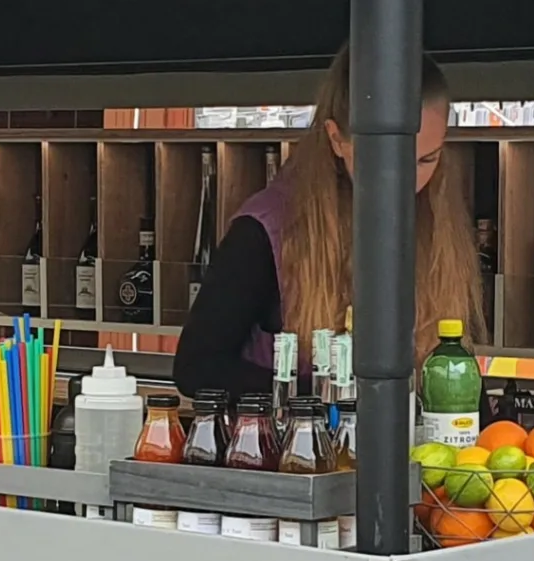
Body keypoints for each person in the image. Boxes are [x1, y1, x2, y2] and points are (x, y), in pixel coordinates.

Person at [174, 50, 476, 400]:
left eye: (427, 159)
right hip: (292, 434)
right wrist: (335, 392)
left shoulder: (440, 219)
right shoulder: (267, 229)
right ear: (336, 139)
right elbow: (197, 368)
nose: (405, 182)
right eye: (384, 160)